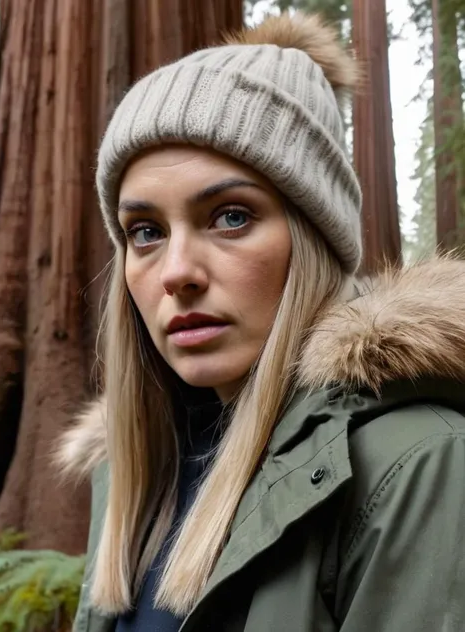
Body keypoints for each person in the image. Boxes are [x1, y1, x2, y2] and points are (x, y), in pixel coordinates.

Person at [59, 11, 465, 632]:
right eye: (145, 232)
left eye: (230, 217)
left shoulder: (419, 464)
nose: (176, 272)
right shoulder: (133, 465)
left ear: (313, 238)